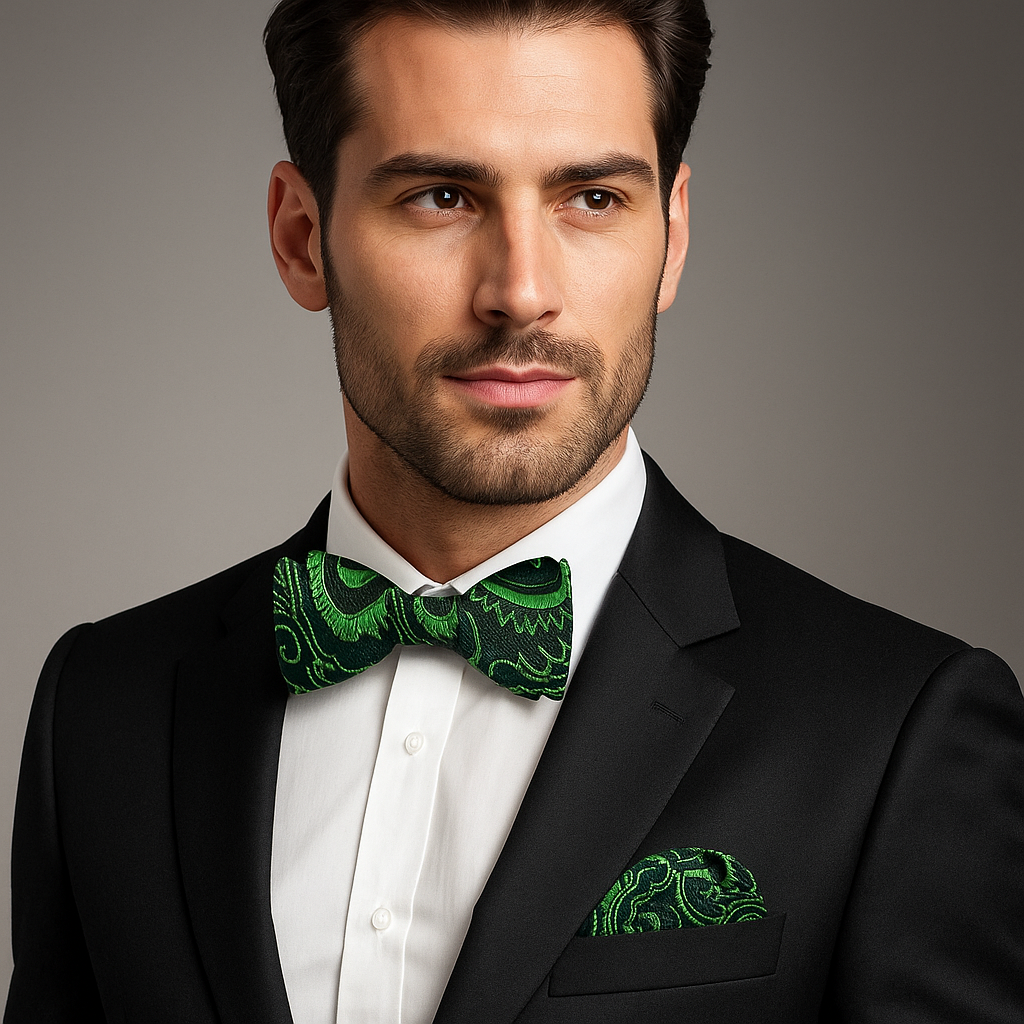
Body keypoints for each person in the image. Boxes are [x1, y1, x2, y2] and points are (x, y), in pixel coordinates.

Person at [5, 0, 1023, 1021]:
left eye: (591, 198)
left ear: (671, 236)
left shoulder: (896, 731)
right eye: (442, 196)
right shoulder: (101, 709)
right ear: (301, 237)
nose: (520, 292)